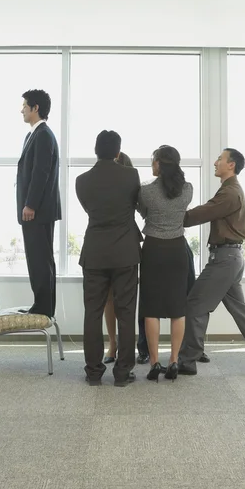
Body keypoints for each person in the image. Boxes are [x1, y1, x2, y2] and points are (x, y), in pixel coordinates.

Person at [178, 148, 245, 375]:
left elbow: (204, 212)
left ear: (231, 165)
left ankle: (187, 360)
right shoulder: (228, 190)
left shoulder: (230, 192)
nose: (215, 162)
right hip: (230, 258)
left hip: (225, 259)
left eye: (220, 159)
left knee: (195, 304)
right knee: (240, 310)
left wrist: (174, 216)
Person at [76, 131, 142, 387]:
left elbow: (90, 210)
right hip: (125, 253)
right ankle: (123, 374)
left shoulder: (82, 181)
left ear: (95, 150)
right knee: (126, 313)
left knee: (92, 313)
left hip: (94, 254)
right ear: (118, 152)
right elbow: (134, 205)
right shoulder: (130, 176)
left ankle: (93, 373)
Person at [137, 146, 193, 382]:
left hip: (153, 250)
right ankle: (173, 361)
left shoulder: (145, 191)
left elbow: (142, 212)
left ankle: (154, 362)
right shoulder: (188, 189)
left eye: (153, 161)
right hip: (177, 250)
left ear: (160, 163)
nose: (152, 164)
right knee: (177, 309)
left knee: (151, 309)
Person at [16, 89, 61, 317]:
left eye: (25, 105)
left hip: (37, 211)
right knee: (40, 260)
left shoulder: (43, 134)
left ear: (36, 108)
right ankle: (42, 306)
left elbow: (40, 173)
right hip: (37, 211)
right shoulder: (34, 134)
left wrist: (30, 204)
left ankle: (43, 308)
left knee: (40, 261)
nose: (21, 109)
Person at [103, 151, 133, 364]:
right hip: (103, 247)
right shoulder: (100, 185)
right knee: (108, 300)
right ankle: (112, 343)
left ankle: (125, 347)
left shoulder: (132, 184)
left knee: (126, 302)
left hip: (126, 246)